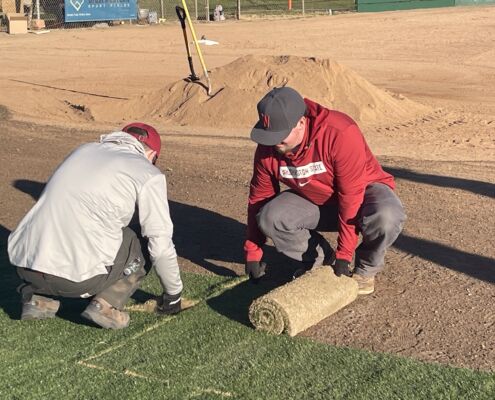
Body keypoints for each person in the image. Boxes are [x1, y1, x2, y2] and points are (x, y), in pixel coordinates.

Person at [8, 123, 183, 329]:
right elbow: (160, 243)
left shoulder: (83, 150)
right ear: (152, 154)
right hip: (74, 281)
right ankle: (106, 304)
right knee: (138, 239)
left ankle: (37, 298)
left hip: (25, 267)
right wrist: (173, 294)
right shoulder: (147, 172)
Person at [244, 87, 406, 295]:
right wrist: (253, 251)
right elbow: (259, 198)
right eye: (270, 136)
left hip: (363, 195)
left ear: (301, 122)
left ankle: (365, 268)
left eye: (281, 136)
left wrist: (345, 253)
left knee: (387, 216)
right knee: (270, 216)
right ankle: (321, 259)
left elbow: (351, 195)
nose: (274, 143)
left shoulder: (340, 133)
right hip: (318, 202)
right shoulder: (268, 149)